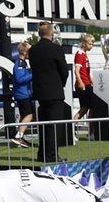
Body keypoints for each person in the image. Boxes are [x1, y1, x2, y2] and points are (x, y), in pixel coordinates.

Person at [28, 21, 70, 163]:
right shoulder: (56, 49)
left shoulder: (33, 50)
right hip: (54, 91)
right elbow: (64, 70)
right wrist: (60, 84)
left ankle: (42, 154)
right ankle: (51, 155)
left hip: (40, 92)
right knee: (54, 125)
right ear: (51, 34)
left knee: (44, 125)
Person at [10, 40, 35, 148]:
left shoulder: (23, 63)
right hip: (22, 94)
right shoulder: (19, 63)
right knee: (29, 115)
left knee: (25, 116)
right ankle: (18, 136)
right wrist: (33, 74)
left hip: (24, 93)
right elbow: (19, 79)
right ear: (25, 52)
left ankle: (20, 137)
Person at [73, 35, 95, 123]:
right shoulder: (79, 54)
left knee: (86, 108)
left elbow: (87, 72)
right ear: (84, 43)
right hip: (84, 85)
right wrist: (81, 83)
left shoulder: (84, 55)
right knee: (88, 107)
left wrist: (93, 82)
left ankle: (90, 132)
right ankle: (91, 132)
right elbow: (76, 71)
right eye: (90, 44)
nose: (91, 46)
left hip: (87, 84)